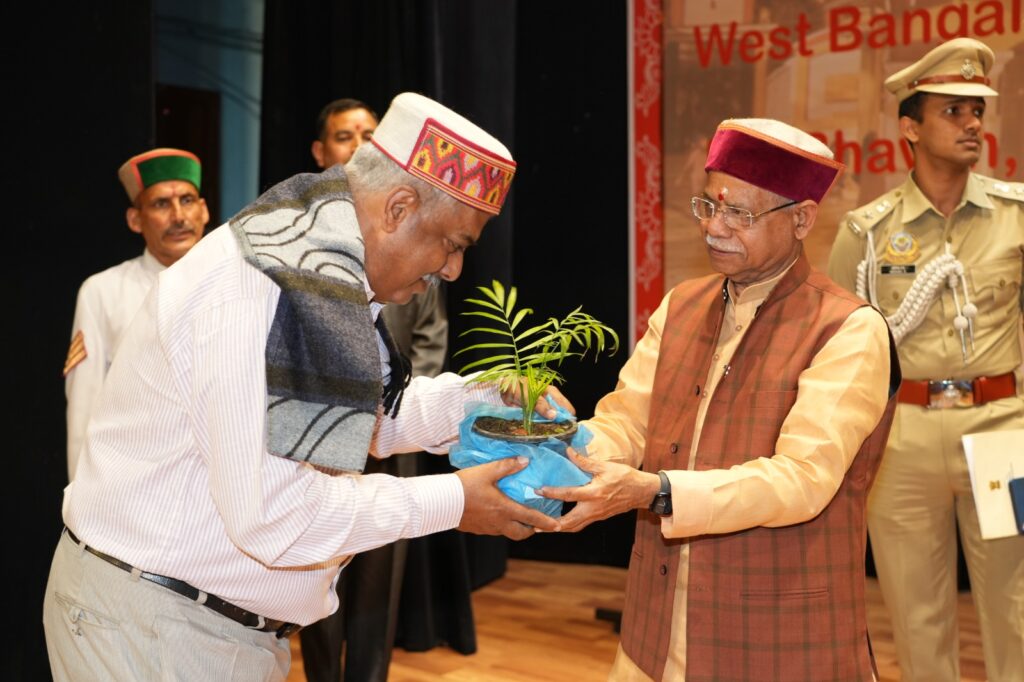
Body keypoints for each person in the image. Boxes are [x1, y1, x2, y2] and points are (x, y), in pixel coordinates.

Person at [43, 92, 564, 681]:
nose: (453, 269)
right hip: (154, 627)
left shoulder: (317, 261)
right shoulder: (261, 288)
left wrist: (485, 400)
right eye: (454, 243)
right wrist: (454, 501)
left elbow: (367, 416)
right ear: (397, 208)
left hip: (196, 625)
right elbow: (273, 516)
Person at [541, 118, 901, 681]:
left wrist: (658, 492)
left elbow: (802, 479)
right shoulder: (681, 305)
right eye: (708, 206)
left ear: (802, 219)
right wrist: (557, 440)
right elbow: (627, 424)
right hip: (655, 630)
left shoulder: (849, 329)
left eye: (741, 214)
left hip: (777, 638)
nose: (714, 227)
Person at [827, 38, 1024, 682]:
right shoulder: (866, 231)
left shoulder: (1016, 217)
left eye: (977, 111)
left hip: (1002, 429)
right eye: (953, 111)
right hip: (902, 439)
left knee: (1017, 611)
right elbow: (838, 351)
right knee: (916, 617)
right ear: (910, 128)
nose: (972, 124)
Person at [301, 97, 451, 682]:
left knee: (379, 580)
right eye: (346, 136)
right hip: (317, 444)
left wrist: (399, 409)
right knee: (317, 574)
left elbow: (430, 340)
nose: (360, 144)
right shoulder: (304, 240)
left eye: (371, 134)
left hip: (393, 435)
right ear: (321, 152)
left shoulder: (416, 239)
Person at [63, 148, 209, 481]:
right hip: (137, 483)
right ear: (135, 219)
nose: (178, 216)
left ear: (203, 210)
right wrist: (81, 497)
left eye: (187, 200)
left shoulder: (235, 285)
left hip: (217, 484)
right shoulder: (103, 291)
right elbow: (84, 405)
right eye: (161, 204)